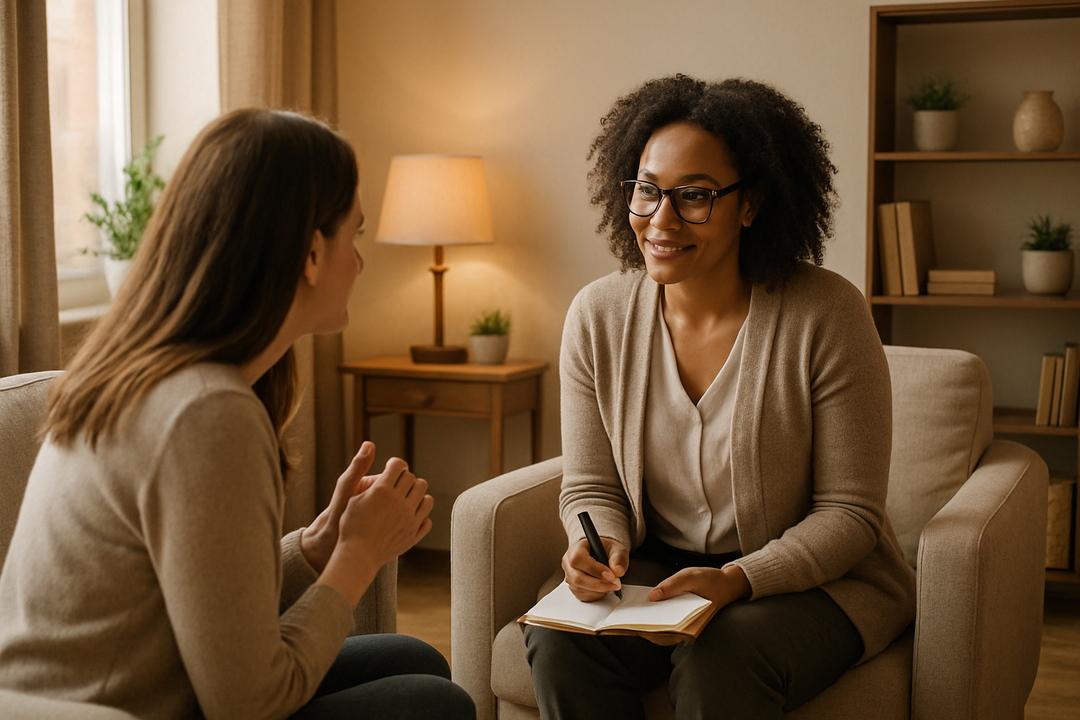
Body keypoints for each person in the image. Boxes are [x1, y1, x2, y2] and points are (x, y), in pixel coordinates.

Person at [0, 109, 475, 720]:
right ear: (309, 253)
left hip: (114, 688)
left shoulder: (168, 375)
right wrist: (359, 553)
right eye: (352, 236)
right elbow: (247, 703)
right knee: (433, 703)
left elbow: (201, 599)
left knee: (414, 658)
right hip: (110, 710)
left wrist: (317, 545)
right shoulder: (207, 413)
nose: (359, 263)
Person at [524, 75, 917, 719]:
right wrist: (599, 546)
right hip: (660, 574)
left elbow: (850, 515)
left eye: (695, 197)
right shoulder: (596, 316)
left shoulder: (827, 314)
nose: (662, 219)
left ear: (751, 204)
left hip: (815, 584)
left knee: (722, 653)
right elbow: (590, 485)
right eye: (647, 190)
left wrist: (737, 580)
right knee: (559, 641)